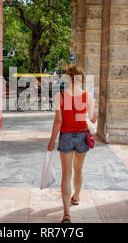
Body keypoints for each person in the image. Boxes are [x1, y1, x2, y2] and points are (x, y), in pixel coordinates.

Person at [47, 66, 97, 223]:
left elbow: (58, 121)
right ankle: (75, 197)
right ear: (81, 78)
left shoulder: (60, 96)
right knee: (79, 169)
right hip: (83, 135)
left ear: (67, 78)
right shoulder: (87, 96)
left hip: (66, 136)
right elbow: (93, 119)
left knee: (66, 174)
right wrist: (93, 108)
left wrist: (51, 140)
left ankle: (66, 213)